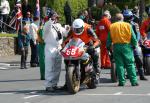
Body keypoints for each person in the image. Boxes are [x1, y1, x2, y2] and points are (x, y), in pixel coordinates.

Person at [61, 18, 101, 90]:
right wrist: (63, 47)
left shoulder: (88, 29)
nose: (77, 31)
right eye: (75, 29)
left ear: (82, 27)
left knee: (95, 54)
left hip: (87, 44)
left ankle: (97, 71)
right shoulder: (72, 30)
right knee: (67, 60)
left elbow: (97, 40)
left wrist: (93, 46)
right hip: (76, 45)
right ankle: (68, 82)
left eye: (79, 29)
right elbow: (64, 41)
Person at [107, 13, 139, 86]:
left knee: (119, 64)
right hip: (127, 46)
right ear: (123, 18)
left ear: (115, 19)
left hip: (116, 46)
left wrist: (108, 46)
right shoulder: (128, 25)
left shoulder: (112, 26)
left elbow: (109, 38)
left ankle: (121, 82)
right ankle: (133, 81)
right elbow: (133, 37)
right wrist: (134, 45)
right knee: (130, 64)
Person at [43, 10, 70, 92]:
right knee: (49, 67)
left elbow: (65, 33)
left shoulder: (58, 25)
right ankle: (48, 85)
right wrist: (51, 19)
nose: (57, 18)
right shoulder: (47, 25)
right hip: (50, 47)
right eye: (55, 17)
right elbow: (47, 27)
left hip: (58, 48)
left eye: (57, 17)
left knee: (57, 68)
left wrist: (67, 29)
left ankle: (54, 84)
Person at [123, 10, 147, 80]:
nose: (128, 19)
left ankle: (141, 75)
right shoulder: (121, 25)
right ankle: (123, 74)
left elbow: (138, 35)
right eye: (126, 17)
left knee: (138, 59)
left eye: (129, 17)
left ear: (131, 17)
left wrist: (136, 43)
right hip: (124, 44)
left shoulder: (135, 25)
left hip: (133, 44)